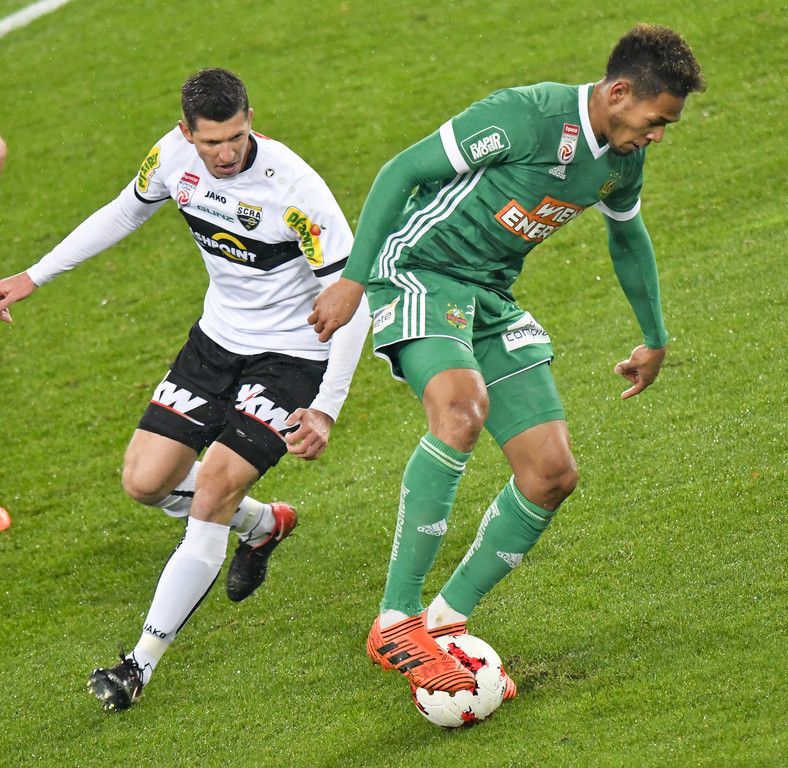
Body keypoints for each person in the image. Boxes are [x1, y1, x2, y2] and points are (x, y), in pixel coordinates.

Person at [309, 24, 705, 696]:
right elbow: (402, 171)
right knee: (460, 412)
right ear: (618, 93)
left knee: (551, 473)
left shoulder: (620, 160)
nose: (658, 136)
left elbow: (627, 238)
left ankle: (445, 622)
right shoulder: (525, 116)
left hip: (488, 296)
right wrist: (352, 278)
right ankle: (396, 620)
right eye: (657, 120)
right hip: (419, 271)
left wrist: (654, 336)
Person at [0, 68, 370, 710]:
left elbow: (351, 299)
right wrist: (35, 276)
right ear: (186, 133)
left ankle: (137, 666)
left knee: (216, 487)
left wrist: (326, 408)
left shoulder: (294, 189)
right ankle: (263, 525)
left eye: (236, 137)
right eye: (211, 142)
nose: (225, 154)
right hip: (215, 343)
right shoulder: (172, 159)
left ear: (251, 121)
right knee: (145, 483)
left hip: (291, 356)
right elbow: (125, 210)